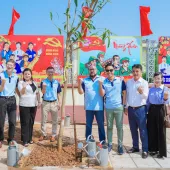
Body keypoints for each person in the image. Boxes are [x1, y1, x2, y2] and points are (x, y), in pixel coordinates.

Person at [99, 63, 126, 154]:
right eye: (107, 70)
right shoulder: (104, 82)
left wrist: (124, 105)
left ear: (114, 70)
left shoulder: (120, 80)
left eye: (111, 70)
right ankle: (110, 144)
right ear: (105, 72)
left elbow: (124, 92)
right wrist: (100, 84)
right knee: (109, 127)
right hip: (109, 108)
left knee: (119, 127)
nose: (109, 72)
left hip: (119, 107)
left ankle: (120, 145)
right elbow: (102, 94)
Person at [125, 64, 148, 159]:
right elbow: (127, 95)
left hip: (141, 109)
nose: (135, 73)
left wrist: (142, 92)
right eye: (134, 71)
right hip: (131, 109)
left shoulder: (144, 83)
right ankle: (135, 147)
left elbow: (146, 97)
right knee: (133, 130)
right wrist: (126, 106)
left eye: (137, 71)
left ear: (141, 72)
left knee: (143, 130)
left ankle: (145, 150)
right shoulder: (129, 82)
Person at [78, 65, 106, 142]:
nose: (92, 71)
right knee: (88, 125)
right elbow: (80, 92)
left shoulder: (102, 79)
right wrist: (79, 84)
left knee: (100, 125)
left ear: (96, 70)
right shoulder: (85, 80)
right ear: (88, 70)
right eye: (90, 69)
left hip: (99, 107)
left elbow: (104, 92)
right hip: (89, 107)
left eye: (93, 69)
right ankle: (88, 140)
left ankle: (102, 141)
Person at [147, 72, 170, 158]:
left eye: (158, 78)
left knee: (161, 130)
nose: (157, 80)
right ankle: (153, 149)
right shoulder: (151, 89)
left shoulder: (165, 89)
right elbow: (148, 101)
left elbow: (166, 102)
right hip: (152, 110)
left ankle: (162, 152)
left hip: (160, 109)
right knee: (151, 129)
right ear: (153, 79)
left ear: (162, 79)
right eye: (155, 78)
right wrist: (146, 111)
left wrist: (165, 98)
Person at [18, 68, 41, 146]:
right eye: (25, 74)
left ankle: (29, 138)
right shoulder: (21, 82)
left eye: (28, 74)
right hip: (24, 105)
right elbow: (21, 93)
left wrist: (39, 101)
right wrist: (24, 87)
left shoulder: (34, 83)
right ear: (23, 75)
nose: (27, 75)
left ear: (31, 75)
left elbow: (37, 93)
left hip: (33, 105)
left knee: (31, 122)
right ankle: (24, 140)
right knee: (25, 122)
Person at [39, 67, 62, 142]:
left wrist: (60, 103)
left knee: (55, 120)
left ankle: (53, 135)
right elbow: (42, 92)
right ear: (46, 72)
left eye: (52, 71)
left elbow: (58, 93)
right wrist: (44, 87)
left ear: (54, 72)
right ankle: (43, 134)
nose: (50, 73)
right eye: (49, 72)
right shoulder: (43, 82)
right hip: (45, 103)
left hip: (54, 103)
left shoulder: (57, 82)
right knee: (43, 120)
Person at [0, 59, 19, 148]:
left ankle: (10, 139)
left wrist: (21, 96)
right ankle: (0, 139)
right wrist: (3, 84)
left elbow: (16, 88)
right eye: (8, 64)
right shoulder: (1, 75)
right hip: (2, 99)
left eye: (11, 65)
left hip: (12, 99)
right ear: (6, 65)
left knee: (12, 121)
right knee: (1, 121)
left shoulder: (16, 77)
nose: (9, 66)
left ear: (14, 66)